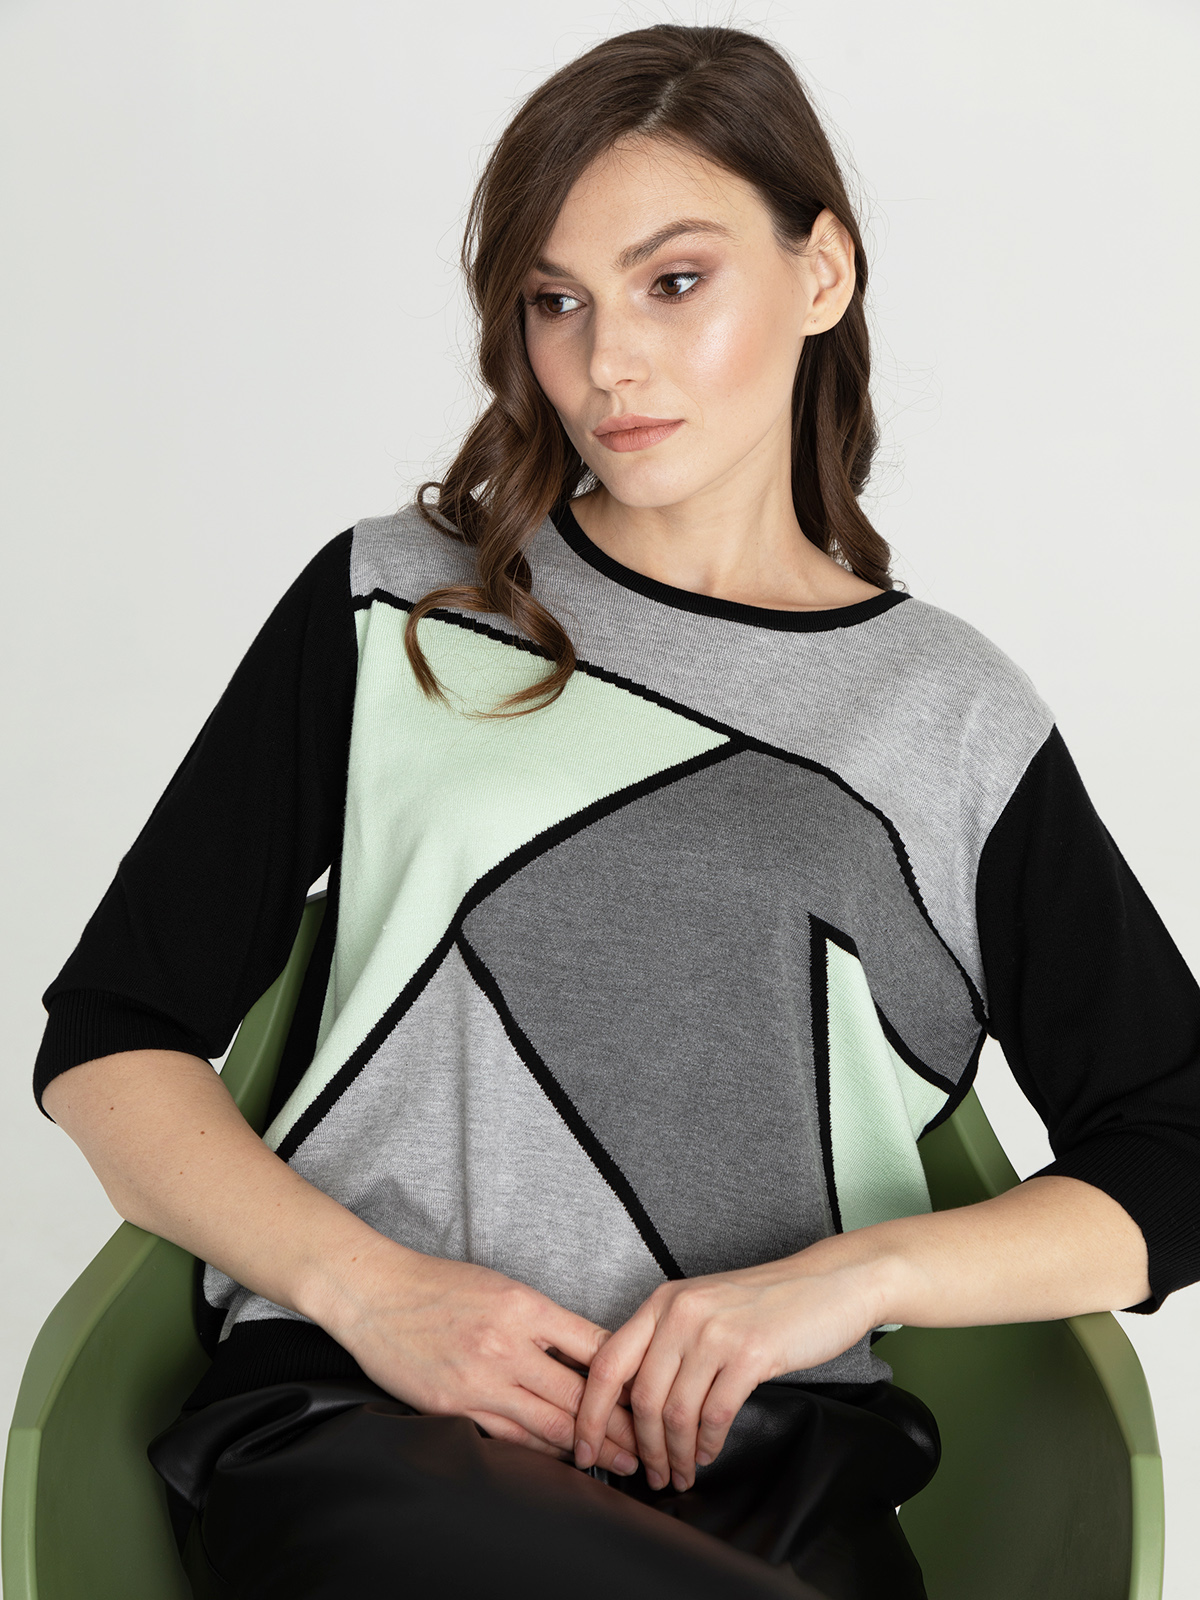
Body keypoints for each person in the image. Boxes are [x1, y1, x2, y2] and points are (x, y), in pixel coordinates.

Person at [32, 22, 1200, 1600]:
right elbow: (113, 1036)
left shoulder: (951, 715)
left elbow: (1176, 1144)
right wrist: (373, 1293)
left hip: (768, 1472)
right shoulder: (397, 606)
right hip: (373, 1426)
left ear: (823, 273)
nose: (606, 365)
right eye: (556, 301)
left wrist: (841, 1282)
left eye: (674, 282)